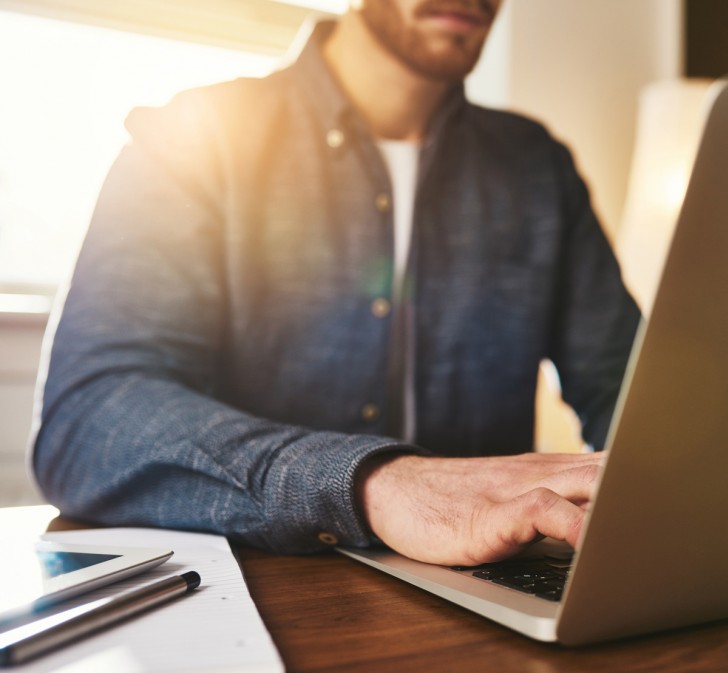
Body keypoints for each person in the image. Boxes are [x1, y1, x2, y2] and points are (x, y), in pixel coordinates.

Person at [31, 0, 640, 567]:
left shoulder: (535, 164)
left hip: (489, 587)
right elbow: (88, 420)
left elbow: (627, 388)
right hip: (257, 589)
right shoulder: (195, 136)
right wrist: (375, 482)